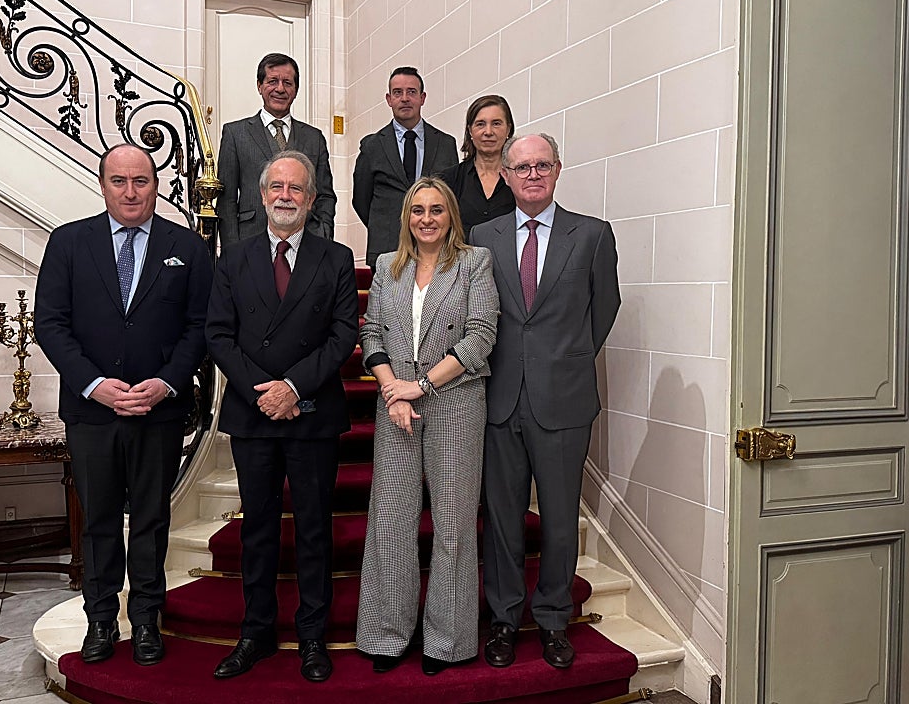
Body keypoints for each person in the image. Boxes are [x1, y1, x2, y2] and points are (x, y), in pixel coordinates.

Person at [34, 144, 212, 667]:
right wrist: (93, 383)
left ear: (157, 184)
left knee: (154, 518)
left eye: (141, 181)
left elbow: (199, 327)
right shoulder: (68, 243)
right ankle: (101, 619)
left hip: (157, 410)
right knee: (101, 521)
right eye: (119, 181)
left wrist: (165, 383)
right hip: (92, 412)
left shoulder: (188, 247)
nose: (131, 192)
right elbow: (51, 323)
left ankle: (148, 620)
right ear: (103, 184)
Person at [469, 133, 621, 671]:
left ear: (558, 170)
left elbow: (604, 309)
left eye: (542, 165)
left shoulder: (592, 235)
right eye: (521, 167)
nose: (532, 175)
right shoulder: (480, 237)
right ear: (505, 175)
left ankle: (555, 619)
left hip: (565, 401)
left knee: (559, 520)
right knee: (504, 519)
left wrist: (566, 358)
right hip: (499, 399)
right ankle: (505, 619)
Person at [206, 150, 359, 684]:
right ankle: (256, 631)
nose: (285, 195)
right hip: (253, 414)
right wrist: (261, 391)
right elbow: (218, 333)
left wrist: (294, 386)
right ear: (261, 195)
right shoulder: (233, 259)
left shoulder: (335, 258)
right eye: (277, 187)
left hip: (312, 412)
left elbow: (344, 334)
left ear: (312, 199)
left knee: (315, 529)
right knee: (258, 530)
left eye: (296, 188)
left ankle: (313, 636)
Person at [355, 178, 498, 677]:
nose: (427, 219)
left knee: (454, 525)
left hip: (455, 404)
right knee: (390, 521)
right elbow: (370, 330)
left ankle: (448, 640)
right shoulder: (389, 268)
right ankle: (386, 634)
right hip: (395, 405)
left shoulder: (473, 263)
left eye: (437, 210)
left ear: (451, 215)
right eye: (418, 210)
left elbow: (482, 334)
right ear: (406, 217)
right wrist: (394, 387)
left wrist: (420, 386)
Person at [217, 52, 336, 248]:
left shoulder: (314, 138)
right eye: (272, 81)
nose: (280, 88)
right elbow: (226, 199)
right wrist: (232, 249)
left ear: (296, 89)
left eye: (287, 83)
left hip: (306, 243)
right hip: (250, 240)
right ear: (259, 86)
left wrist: (323, 233)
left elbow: (325, 195)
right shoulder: (235, 133)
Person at [353, 66, 458, 270]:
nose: (405, 98)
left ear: (422, 97)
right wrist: (387, 224)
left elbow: (451, 196)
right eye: (397, 92)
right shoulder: (372, 146)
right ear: (389, 99)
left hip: (436, 248)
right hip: (387, 248)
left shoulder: (445, 144)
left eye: (411, 92)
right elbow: (361, 200)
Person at [438, 94, 516, 237]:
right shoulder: (448, 180)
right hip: (461, 259)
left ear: (508, 129)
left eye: (496, 123)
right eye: (480, 124)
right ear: (470, 131)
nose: (488, 132)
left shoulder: (520, 178)